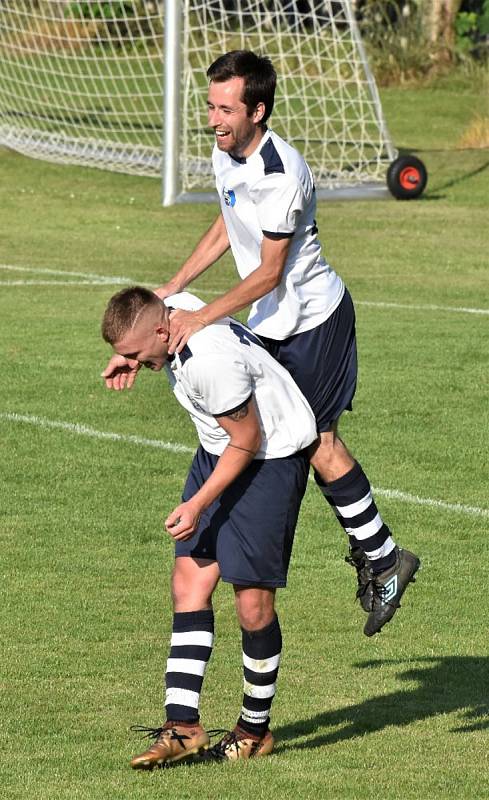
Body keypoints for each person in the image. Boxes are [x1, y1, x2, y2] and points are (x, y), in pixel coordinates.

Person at [153, 50, 421, 637]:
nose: (213, 118)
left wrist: (201, 319)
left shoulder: (279, 172)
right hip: (273, 325)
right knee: (287, 436)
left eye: (226, 109)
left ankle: (382, 556)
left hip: (313, 322)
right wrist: (177, 283)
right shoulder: (229, 151)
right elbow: (228, 221)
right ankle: (380, 554)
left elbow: (270, 274)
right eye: (210, 105)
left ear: (259, 109)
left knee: (311, 438)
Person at [101, 286, 318, 766]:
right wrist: (138, 358)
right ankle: (183, 727)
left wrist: (198, 504)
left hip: (267, 460)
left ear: (163, 331)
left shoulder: (207, 364)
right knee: (190, 582)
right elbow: (156, 301)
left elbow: (248, 437)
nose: (132, 362)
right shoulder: (175, 311)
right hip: (219, 450)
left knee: (253, 604)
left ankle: (255, 729)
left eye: (135, 353)